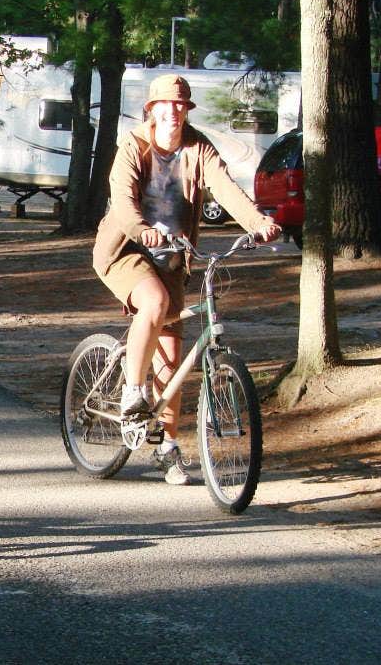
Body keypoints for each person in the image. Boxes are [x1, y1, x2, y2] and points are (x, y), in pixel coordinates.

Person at [92, 74, 281, 485]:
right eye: (167, 104)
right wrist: (141, 229)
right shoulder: (134, 147)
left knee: (172, 361)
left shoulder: (198, 147)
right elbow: (122, 201)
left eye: (181, 105)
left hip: (173, 258)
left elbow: (226, 189)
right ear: (152, 109)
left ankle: (167, 447)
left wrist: (257, 222)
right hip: (127, 251)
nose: (174, 111)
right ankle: (132, 392)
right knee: (155, 304)